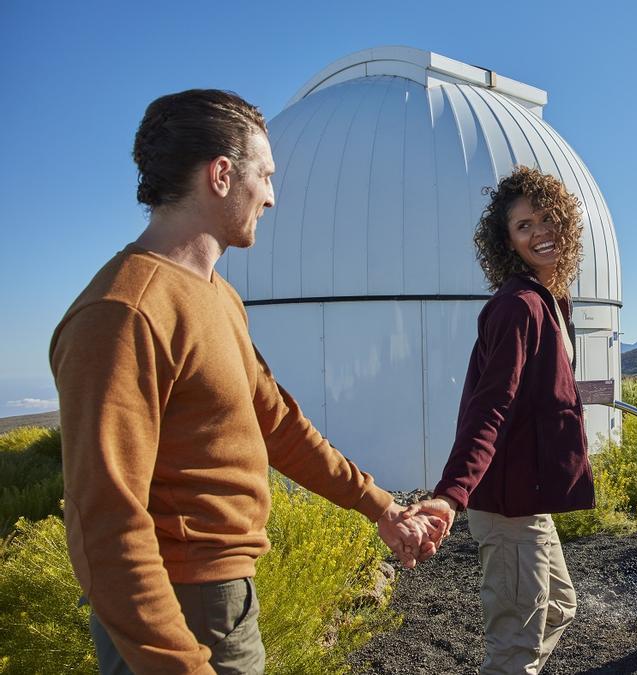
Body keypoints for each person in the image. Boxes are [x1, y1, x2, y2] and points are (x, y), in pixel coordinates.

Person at [49, 89, 446, 675]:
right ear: (222, 174)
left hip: (224, 598)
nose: (272, 195)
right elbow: (105, 521)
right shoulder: (124, 313)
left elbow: (276, 423)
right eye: (265, 175)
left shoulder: (216, 297)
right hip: (178, 607)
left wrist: (381, 507)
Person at [407, 166, 595, 674]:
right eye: (523, 226)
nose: (539, 232)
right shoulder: (516, 308)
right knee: (516, 646)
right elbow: (490, 405)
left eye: (545, 219)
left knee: (558, 607)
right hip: (508, 501)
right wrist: (451, 494)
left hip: (527, 496)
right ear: (508, 242)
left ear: (565, 223)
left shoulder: (549, 303)